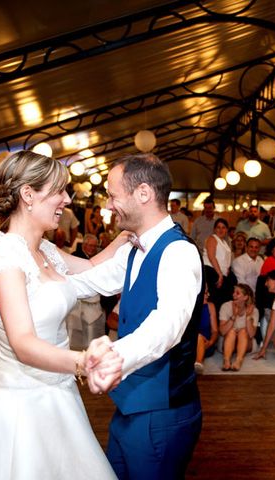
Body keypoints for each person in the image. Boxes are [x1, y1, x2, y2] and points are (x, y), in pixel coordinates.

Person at [0, 150, 124, 479]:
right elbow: (22, 343)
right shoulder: (6, 260)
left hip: (57, 391)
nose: (66, 199)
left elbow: (92, 268)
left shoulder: (45, 250)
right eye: (58, 190)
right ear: (28, 194)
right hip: (20, 403)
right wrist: (83, 362)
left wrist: (127, 237)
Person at [68, 153, 204, 479]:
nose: (109, 205)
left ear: (143, 193)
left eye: (114, 195)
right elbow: (90, 280)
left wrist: (113, 357)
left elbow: (167, 324)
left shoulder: (179, 252)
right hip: (130, 405)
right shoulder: (134, 248)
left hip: (162, 413)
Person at [68, 234, 106, 349]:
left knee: (92, 331)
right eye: (90, 245)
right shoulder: (75, 256)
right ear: (84, 245)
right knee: (72, 331)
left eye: (94, 246)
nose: (92, 248)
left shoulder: (99, 258)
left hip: (94, 301)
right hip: (78, 301)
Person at [219, 283, 259, 371]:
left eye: (237, 293)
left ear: (245, 297)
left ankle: (239, 360)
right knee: (231, 331)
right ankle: (226, 360)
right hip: (227, 341)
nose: (233, 295)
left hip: (246, 343)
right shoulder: (226, 306)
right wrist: (233, 316)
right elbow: (222, 332)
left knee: (243, 331)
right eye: (234, 292)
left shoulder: (254, 310)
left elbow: (252, 334)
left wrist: (248, 317)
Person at [203, 218, 234, 309]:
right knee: (215, 301)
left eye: (223, 227)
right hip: (211, 271)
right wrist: (219, 274)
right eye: (218, 227)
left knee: (222, 301)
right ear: (214, 229)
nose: (221, 230)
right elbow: (211, 257)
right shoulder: (212, 238)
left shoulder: (225, 242)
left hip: (220, 272)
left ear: (227, 230)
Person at [194, 286, 218, 375]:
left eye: (208, 292)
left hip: (207, 343)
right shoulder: (190, 306)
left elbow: (215, 330)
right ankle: (197, 362)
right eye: (205, 293)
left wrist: (211, 342)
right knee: (198, 336)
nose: (208, 295)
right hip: (192, 340)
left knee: (200, 338)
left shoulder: (210, 306)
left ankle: (198, 363)